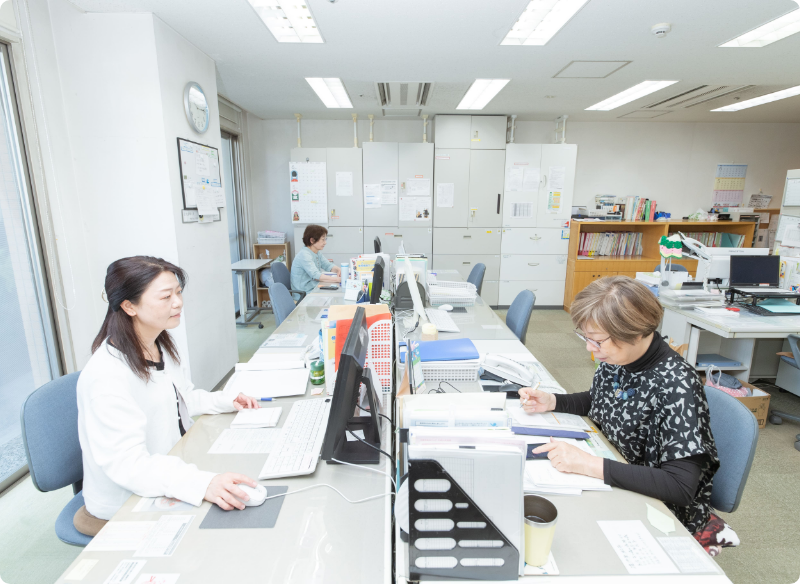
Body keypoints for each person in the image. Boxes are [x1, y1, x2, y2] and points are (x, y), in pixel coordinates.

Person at [518, 276, 720, 537]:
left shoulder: (677, 385)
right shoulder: (620, 359)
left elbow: (679, 487)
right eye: (586, 338)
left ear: (636, 333)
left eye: (598, 341)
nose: (591, 349)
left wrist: (588, 464)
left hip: (659, 506)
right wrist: (554, 401)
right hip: (616, 469)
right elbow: (602, 400)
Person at [75, 256, 260, 536]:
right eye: (166, 296)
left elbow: (180, 397)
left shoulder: (158, 341)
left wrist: (226, 401)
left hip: (168, 469)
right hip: (126, 500)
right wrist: (201, 483)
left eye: (178, 292)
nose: (178, 303)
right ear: (129, 306)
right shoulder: (106, 376)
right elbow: (129, 465)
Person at [290, 224, 341, 295]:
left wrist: (338, 270)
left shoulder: (316, 252)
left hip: (313, 288)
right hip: (304, 294)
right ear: (312, 240)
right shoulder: (304, 255)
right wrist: (338, 280)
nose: (325, 243)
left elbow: (328, 265)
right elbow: (316, 275)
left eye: (325, 239)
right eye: (323, 240)